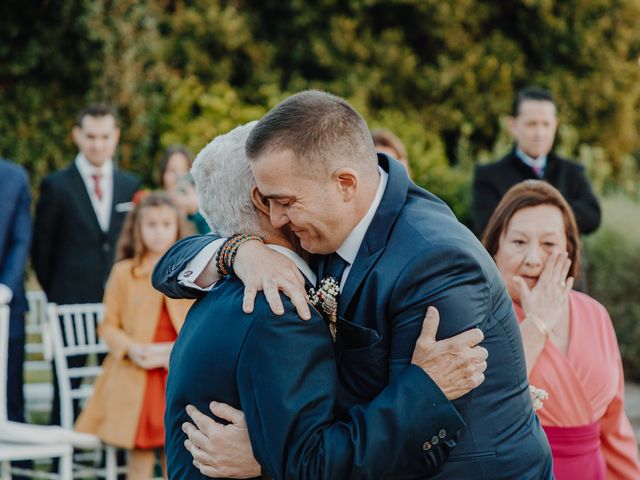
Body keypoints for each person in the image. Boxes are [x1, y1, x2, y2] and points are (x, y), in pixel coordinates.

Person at [154, 90, 552, 478]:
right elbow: (172, 266)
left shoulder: (435, 263)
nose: (275, 219)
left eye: (286, 202)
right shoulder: (324, 229)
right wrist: (238, 251)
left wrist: (269, 457)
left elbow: (412, 437)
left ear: (345, 183)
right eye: (266, 202)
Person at [482, 180, 640, 480]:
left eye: (549, 244)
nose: (533, 258)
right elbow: (483, 412)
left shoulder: (594, 313)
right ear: (494, 249)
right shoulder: (477, 317)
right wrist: (538, 322)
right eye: (518, 242)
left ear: (569, 249)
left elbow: (614, 426)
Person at [31, 104, 140, 425]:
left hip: (119, 307)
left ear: (116, 137)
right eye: (91, 136)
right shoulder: (56, 185)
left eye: (105, 136)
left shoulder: (129, 185)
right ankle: (61, 462)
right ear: (77, 136)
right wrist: (60, 294)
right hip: (70, 301)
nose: (98, 144)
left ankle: (119, 465)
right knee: (66, 387)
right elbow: (42, 251)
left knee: (121, 384)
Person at [75, 192, 193, 479]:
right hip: (136, 377)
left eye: (166, 224)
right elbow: (107, 326)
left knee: (178, 453)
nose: (158, 231)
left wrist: (176, 351)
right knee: (139, 455)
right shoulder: (123, 273)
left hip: (176, 374)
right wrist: (130, 348)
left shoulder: (190, 274)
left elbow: (199, 327)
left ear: (177, 228)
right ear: (137, 229)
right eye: (151, 224)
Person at [472, 86, 601, 237]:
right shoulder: (489, 175)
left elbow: (592, 216)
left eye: (546, 124)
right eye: (531, 124)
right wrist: (558, 214)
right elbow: (486, 226)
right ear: (512, 125)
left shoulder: (572, 171)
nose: (540, 133)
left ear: (555, 125)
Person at [0, 158, 32, 427]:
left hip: (6, 305)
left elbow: (20, 239)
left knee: (10, 393)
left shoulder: (14, 177)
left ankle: (19, 468)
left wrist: (5, 289)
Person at [158, 145, 210, 234]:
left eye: (186, 170)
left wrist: (196, 211)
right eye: (172, 170)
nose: (179, 176)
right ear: (163, 175)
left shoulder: (205, 210)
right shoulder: (153, 208)